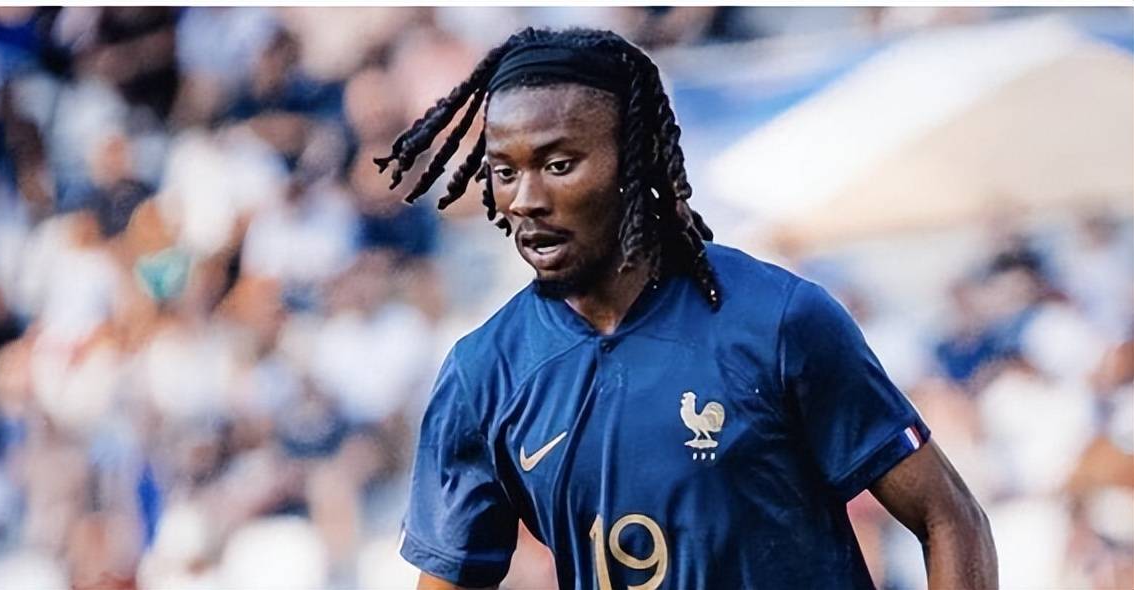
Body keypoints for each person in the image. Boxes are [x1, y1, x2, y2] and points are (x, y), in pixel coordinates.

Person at [374, 27, 998, 590]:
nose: (525, 199)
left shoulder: (777, 320)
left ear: (634, 157)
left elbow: (950, 519)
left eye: (558, 165)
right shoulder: (483, 374)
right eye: (504, 172)